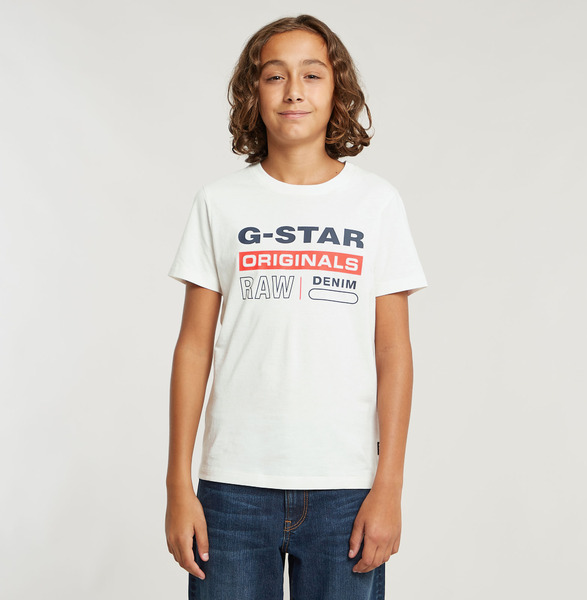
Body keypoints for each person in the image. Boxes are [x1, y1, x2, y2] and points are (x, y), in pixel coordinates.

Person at [165, 14, 428, 600]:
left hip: (346, 488)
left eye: (311, 74)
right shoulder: (219, 203)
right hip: (232, 488)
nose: (293, 91)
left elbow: (394, 351)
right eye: (274, 75)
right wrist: (178, 485)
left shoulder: (376, 203)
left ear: (337, 90)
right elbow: (193, 347)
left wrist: (389, 485)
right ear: (253, 92)